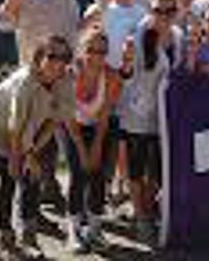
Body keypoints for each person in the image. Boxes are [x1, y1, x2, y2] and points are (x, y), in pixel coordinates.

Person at [0, 36, 75, 261]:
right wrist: (19, 157)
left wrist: (32, 153)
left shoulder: (65, 81)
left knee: (32, 175)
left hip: (23, 128)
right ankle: (5, 240)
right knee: (10, 177)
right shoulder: (26, 82)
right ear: (39, 58)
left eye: (65, 57)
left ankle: (29, 238)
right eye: (52, 56)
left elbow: (54, 121)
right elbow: (16, 127)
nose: (59, 62)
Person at [0, 0, 80, 212]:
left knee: (51, 137)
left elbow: (70, 32)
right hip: (35, 77)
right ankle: (28, 208)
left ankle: (48, 191)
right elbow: (3, 21)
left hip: (60, 76)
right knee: (31, 139)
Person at [65, 30, 123, 252]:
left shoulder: (112, 77)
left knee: (98, 174)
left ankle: (95, 229)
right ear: (81, 50)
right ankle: (74, 230)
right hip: (72, 126)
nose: (96, 56)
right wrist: (82, 149)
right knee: (78, 174)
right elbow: (68, 117)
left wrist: (97, 146)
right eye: (91, 50)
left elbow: (104, 115)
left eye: (101, 52)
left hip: (98, 125)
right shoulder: (69, 75)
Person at [119, 12, 173, 244]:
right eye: (158, 13)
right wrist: (127, 61)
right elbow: (125, 72)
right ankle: (141, 217)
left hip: (158, 122)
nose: (163, 18)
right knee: (136, 171)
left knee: (155, 173)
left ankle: (148, 213)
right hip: (135, 121)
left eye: (167, 13)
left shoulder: (171, 42)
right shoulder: (136, 44)